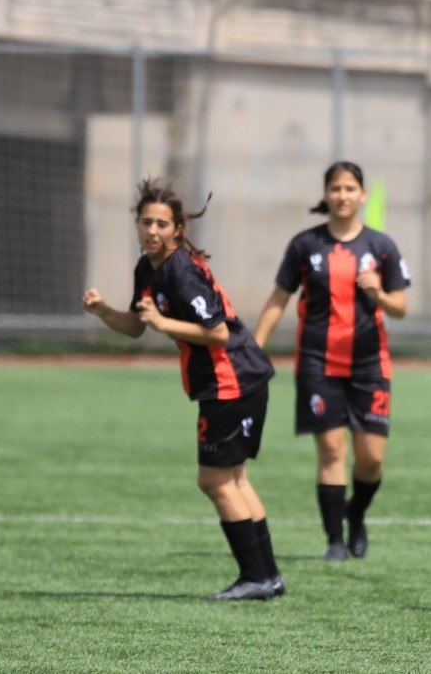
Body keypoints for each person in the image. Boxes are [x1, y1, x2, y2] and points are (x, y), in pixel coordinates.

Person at [82, 179, 282, 602]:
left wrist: (163, 323)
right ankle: (268, 577)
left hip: (232, 379)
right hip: (237, 379)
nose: (152, 230)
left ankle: (256, 578)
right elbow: (137, 327)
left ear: (177, 230)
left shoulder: (180, 271)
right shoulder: (148, 268)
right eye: (146, 222)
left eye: (161, 224)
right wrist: (103, 312)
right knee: (234, 478)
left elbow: (219, 333)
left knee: (214, 480)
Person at [254, 161, 411, 562]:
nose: (342, 195)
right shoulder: (305, 245)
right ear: (326, 194)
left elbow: (400, 308)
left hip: (369, 365)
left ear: (362, 195)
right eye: (335, 188)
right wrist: (255, 347)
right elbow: (278, 300)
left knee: (372, 459)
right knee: (331, 453)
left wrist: (377, 293)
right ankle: (334, 541)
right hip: (316, 364)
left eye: (349, 188)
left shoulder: (382, 247)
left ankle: (355, 514)